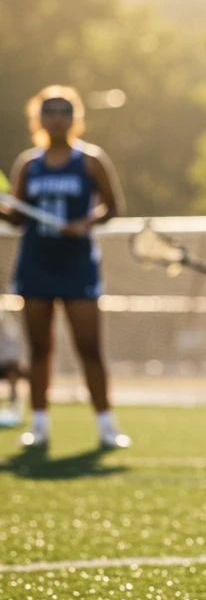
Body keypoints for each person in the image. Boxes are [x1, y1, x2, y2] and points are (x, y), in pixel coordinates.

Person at [1, 86, 129, 452]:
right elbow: (16, 218)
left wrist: (85, 223)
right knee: (40, 349)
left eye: (64, 110)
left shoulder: (90, 160)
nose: (57, 117)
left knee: (90, 348)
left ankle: (106, 426)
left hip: (78, 267)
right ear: (38, 118)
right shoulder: (28, 164)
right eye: (49, 110)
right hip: (36, 266)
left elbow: (112, 207)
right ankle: (39, 425)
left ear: (75, 118)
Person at [0, 308, 25, 429]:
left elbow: (13, 358)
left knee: (12, 372)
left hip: (5, 365)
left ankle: (14, 406)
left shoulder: (9, 335)